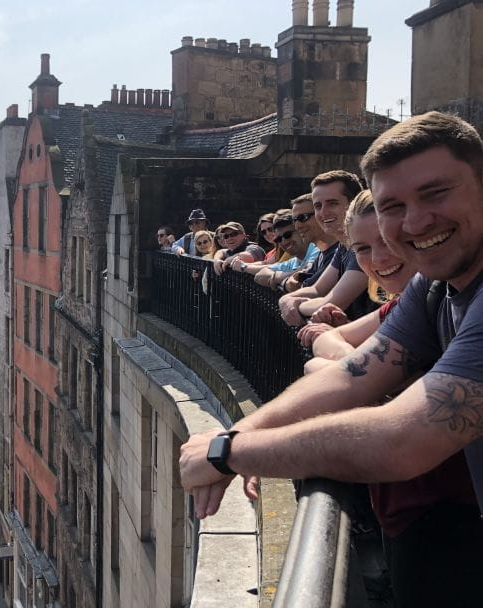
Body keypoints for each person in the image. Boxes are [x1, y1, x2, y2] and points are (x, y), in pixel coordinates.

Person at [178, 111, 483, 607]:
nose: (415, 221)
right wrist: (241, 434)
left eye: (436, 192)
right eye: (393, 205)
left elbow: (401, 440)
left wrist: (226, 454)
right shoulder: (436, 286)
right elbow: (352, 375)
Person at [297, 189, 417, 364]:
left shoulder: (431, 293)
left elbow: (375, 375)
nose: (377, 259)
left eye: (387, 241)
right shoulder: (408, 300)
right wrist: (346, 328)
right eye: (362, 248)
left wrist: (335, 354)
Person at [278, 170, 368, 324]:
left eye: (332, 203)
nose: (323, 213)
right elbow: (318, 289)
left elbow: (333, 301)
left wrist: (297, 304)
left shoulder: (363, 246)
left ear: (354, 204)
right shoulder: (343, 246)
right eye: (318, 206)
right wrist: (286, 299)